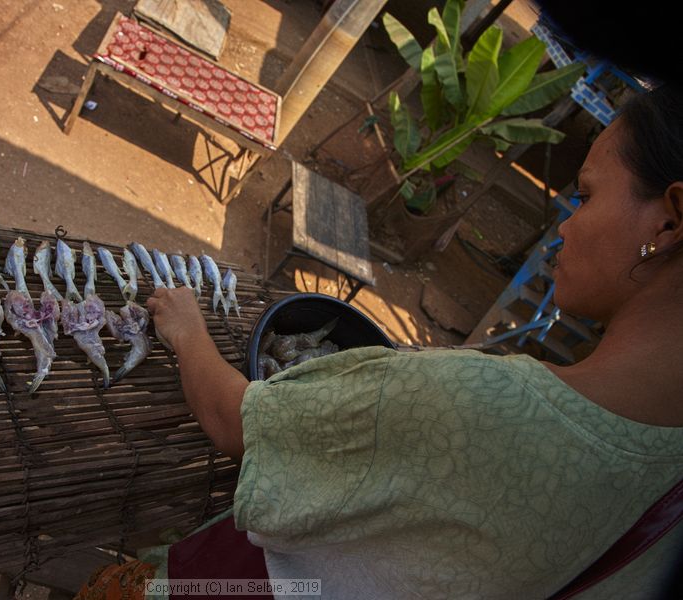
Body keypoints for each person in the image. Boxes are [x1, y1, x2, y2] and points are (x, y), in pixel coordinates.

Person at [76, 86, 683, 600]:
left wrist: (187, 329)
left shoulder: (483, 400)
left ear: (670, 220)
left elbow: (235, 421)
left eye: (586, 195)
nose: (567, 225)